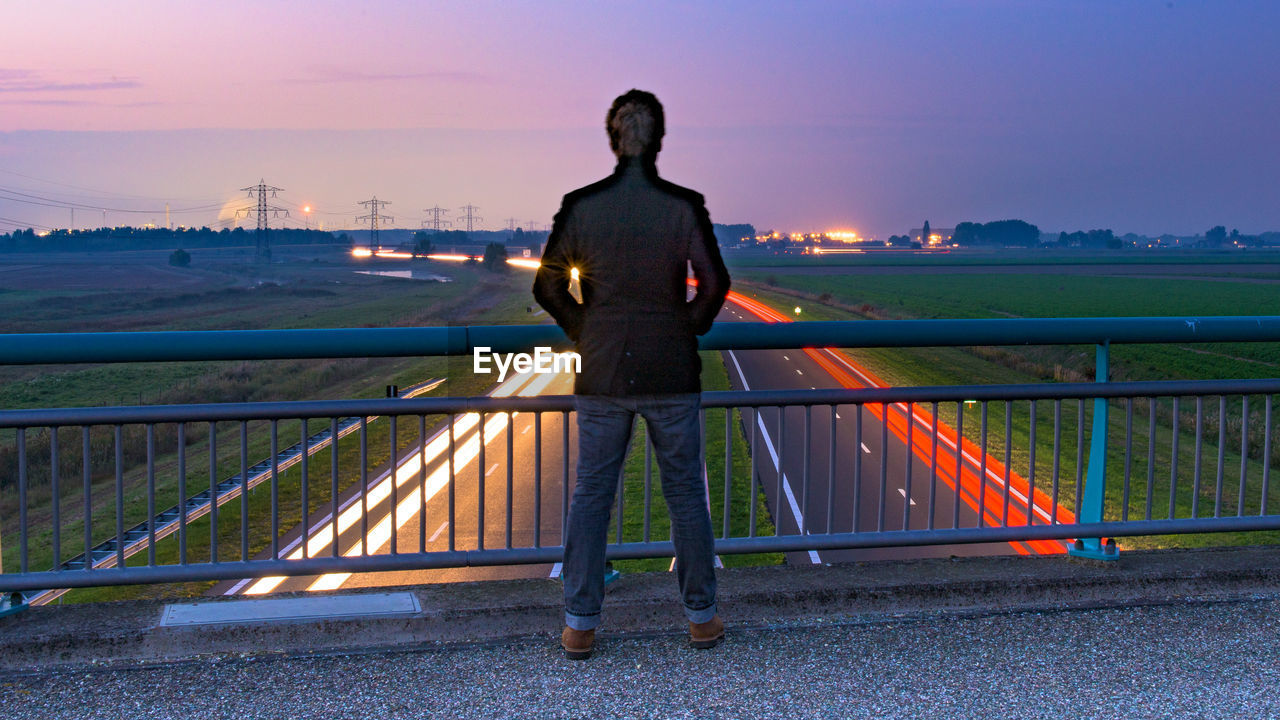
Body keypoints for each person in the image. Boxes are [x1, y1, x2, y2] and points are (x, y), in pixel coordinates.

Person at [533, 89, 731, 660]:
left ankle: (579, 626)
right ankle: (701, 619)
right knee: (687, 496)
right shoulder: (682, 206)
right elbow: (715, 284)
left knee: (591, 497)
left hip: (603, 373)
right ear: (659, 139)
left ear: (613, 138)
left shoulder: (582, 205)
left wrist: (585, 330)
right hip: (671, 369)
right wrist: (684, 326)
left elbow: (546, 286)